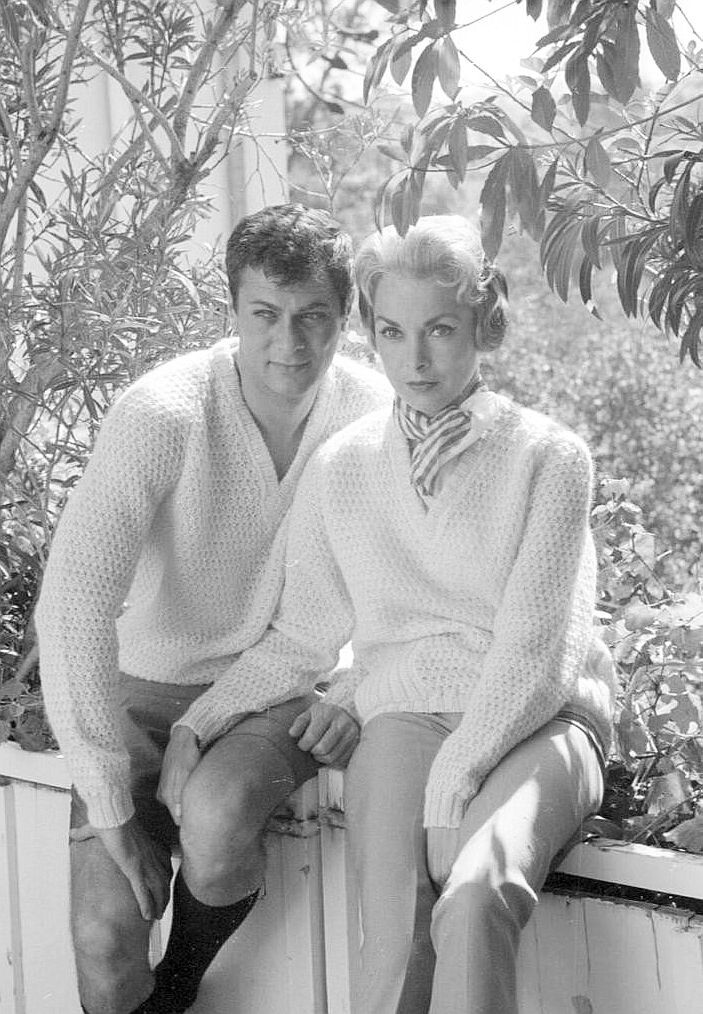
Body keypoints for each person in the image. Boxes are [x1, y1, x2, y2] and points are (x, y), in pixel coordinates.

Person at [196, 214, 616, 1013]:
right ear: (370, 332)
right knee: (391, 935)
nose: (414, 359)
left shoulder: (548, 458)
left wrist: (452, 784)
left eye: (440, 330)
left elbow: (537, 656)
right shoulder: (341, 467)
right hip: (405, 719)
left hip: (543, 720)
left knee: (476, 891)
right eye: (391, 331)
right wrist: (200, 723)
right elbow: (303, 634)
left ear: (484, 326)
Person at [34, 203, 390, 1014]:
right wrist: (108, 804)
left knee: (220, 813)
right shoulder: (163, 413)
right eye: (264, 313)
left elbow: (408, 589)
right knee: (102, 940)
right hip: (146, 687)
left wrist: (354, 689)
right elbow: (75, 603)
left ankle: (178, 991)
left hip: (282, 685)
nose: (288, 343)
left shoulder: (372, 417)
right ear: (230, 310)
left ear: (346, 318)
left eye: (313, 316)